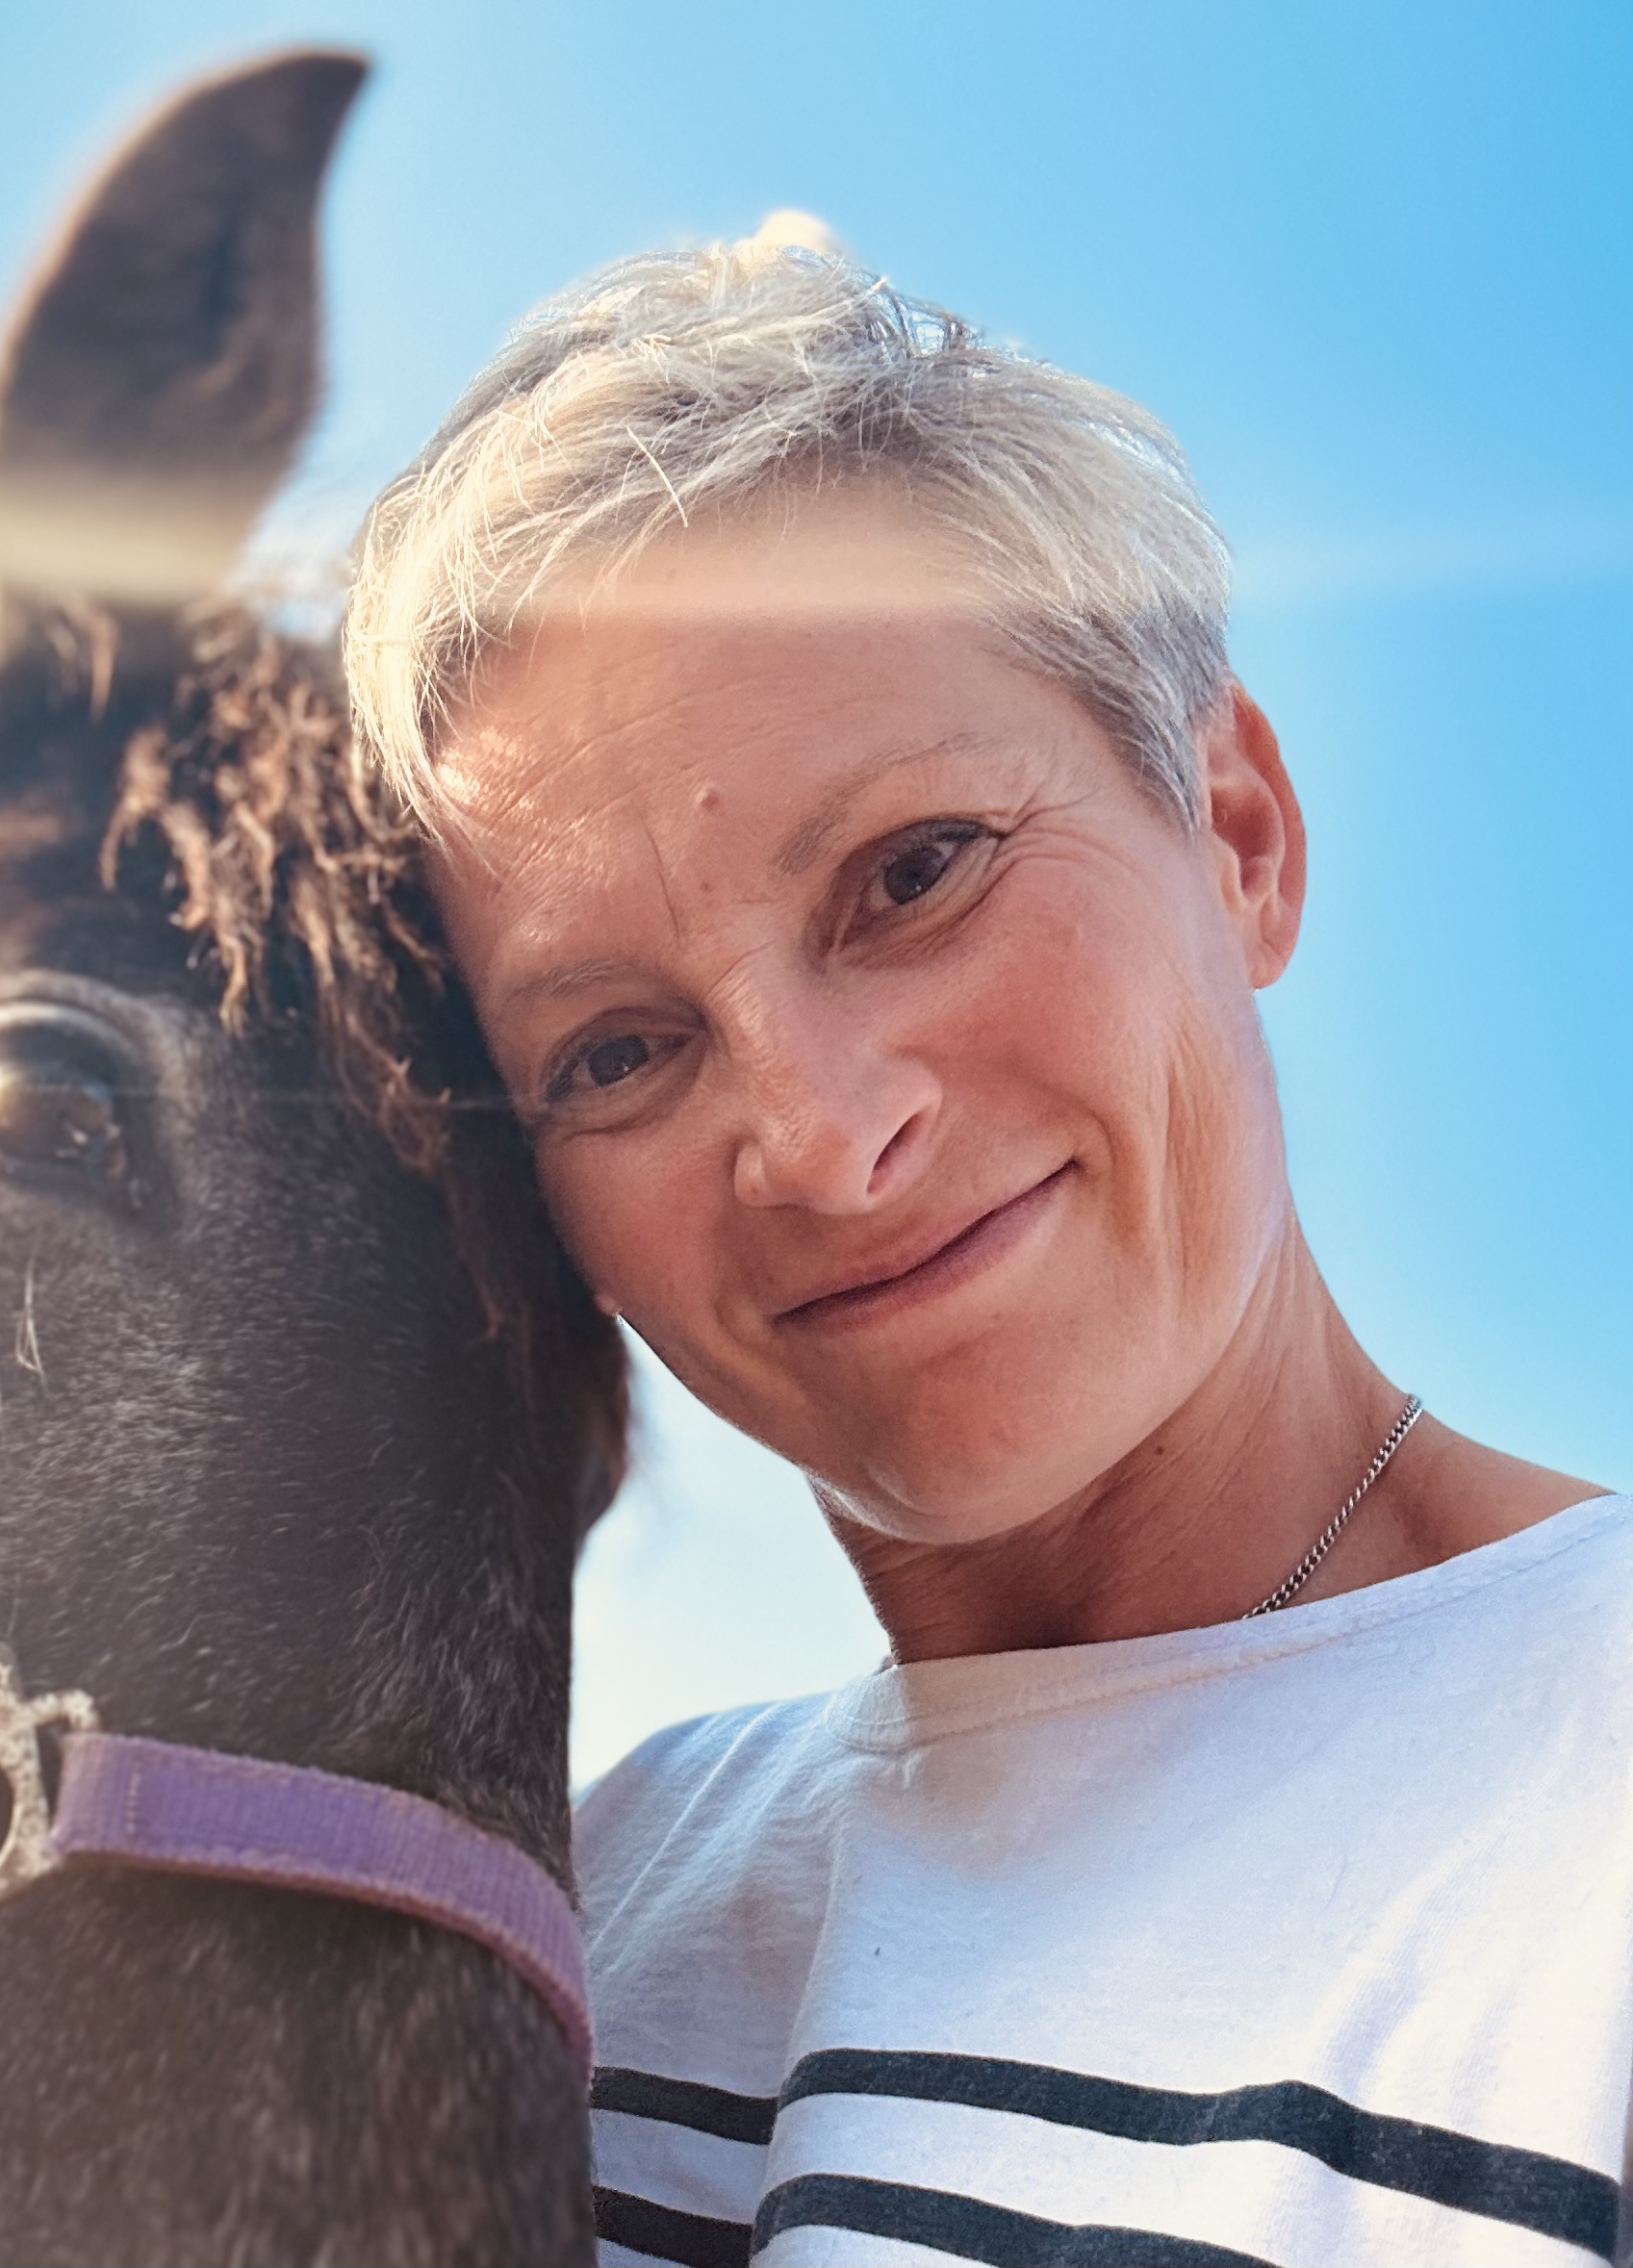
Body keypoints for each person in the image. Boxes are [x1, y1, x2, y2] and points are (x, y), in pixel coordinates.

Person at [342, 242, 1622, 2267]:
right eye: (613, 1051)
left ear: (1236, 834)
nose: (823, 1142)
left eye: (914, 873)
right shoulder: (575, 1916)